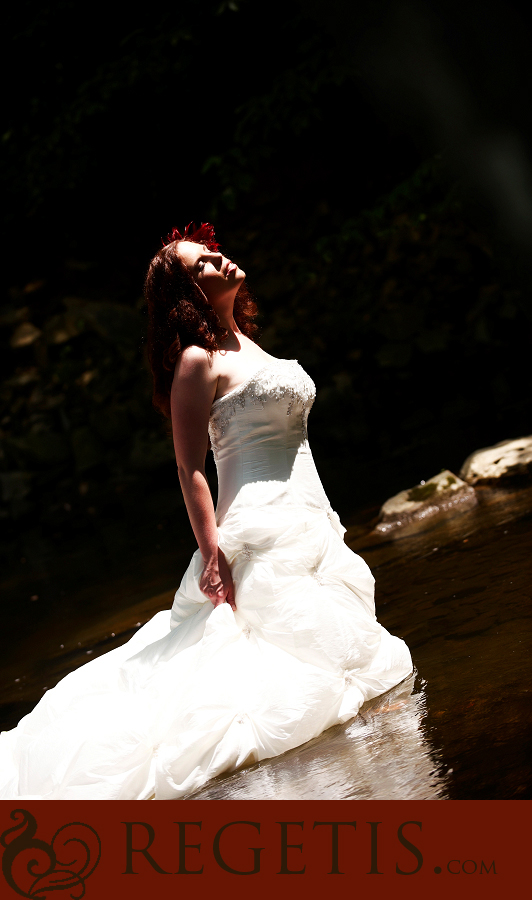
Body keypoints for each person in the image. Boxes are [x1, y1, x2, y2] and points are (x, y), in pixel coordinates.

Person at [0, 222, 412, 800]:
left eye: (214, 253)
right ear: (186, 295)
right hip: (257, 524)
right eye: (202, 265)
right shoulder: (196, 360)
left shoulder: (247, 342)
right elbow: (190, 466)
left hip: (308, 517)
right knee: (255, 667)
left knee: (334, 656)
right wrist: (213, 551)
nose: (219, 260)